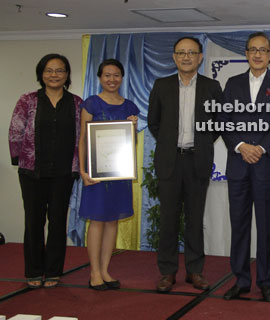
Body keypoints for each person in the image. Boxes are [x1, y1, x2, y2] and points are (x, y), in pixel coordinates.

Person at [219, 32, 270, 302]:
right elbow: (223, 120)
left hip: (267, 165)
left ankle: (267, 281)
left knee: (267, 226)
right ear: (246, 54)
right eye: (252, 49)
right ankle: (240, 280)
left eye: (263, 50)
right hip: (238, 164)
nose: (257, 54)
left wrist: (259, 148)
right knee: (238, 225)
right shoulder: (233, 82)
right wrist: (240, 146)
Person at [148, 36, 223, 293]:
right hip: (170, 162)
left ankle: (195, 271)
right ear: (174, 57)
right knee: (168, 220)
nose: (186, 57)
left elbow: (218, 124)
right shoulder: (162, 85)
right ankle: (167, 272)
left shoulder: (212, 87)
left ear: (200, 57)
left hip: (197, 161)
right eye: (181, 53)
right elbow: (154, 123)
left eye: (192, 52)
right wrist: (172, 143)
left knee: (194, 219)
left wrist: (200, 144)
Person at [9, 54, 83, 289]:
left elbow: (83, 135)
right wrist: (19, 159)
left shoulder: (76, 103)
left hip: (64, 172)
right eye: (49, 70)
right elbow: (16, 130)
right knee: (33, 222)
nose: (54, 75)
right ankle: (33, 270)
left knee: (58, 222)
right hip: (32, 172)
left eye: (59, 70)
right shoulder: (27, 100)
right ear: (41, 74)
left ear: (67, 75)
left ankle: (53, 271)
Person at [78, 59, 139, 290]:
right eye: (107, 75)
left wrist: (132, 128)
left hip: (118, 172)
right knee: (97, 221)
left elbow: (129, 142)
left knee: (112, 220)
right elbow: (83, 139)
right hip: (96, 174)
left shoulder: (130, 106)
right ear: (100, 77)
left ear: (122, 78)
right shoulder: (91, 104)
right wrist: (83, 170)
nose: (112, 79)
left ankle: (105, 270)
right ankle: (94, 271)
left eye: (116, 75)